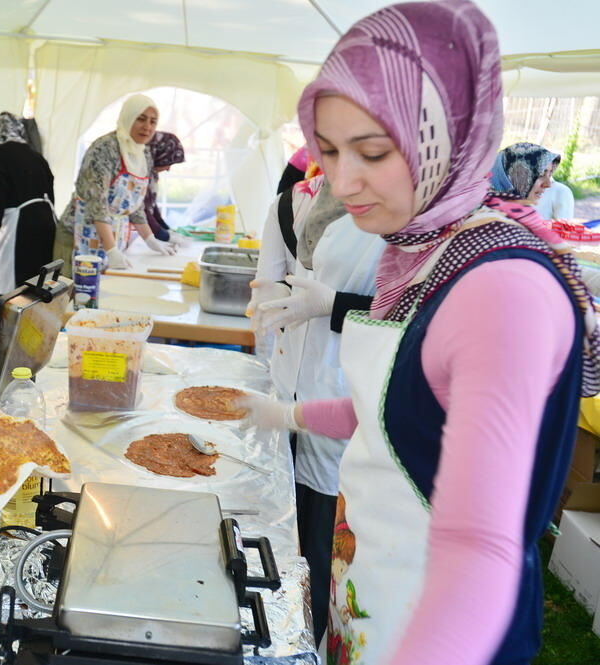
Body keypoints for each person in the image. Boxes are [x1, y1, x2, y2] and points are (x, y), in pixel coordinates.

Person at [244, 1, 597, 663]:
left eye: (372, 151)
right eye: (328, 152)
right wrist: (282, 411)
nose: (342, 183)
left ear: (449, 134)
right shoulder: (422, 252)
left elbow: (479, 549)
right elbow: (396, 410)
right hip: (373, 603)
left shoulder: (501, 289)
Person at [245, 172, 384, 647]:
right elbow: (266, 283)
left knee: (329, 535)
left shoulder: (394, 210)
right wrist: (267, 303)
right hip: (285, 387)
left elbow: (413, 316)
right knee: (279, 524)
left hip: (349, 393)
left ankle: (318, 639)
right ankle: (274, 635)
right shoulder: (289, 203)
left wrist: (335, 305)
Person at [55, 94, 177, 273]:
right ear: (128, 117)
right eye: (140, 119)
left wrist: (150, 239)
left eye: (153, 122)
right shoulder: (105, 148)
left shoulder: (144, 155)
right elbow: (97, 203)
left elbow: (135, 204)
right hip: (79, 236)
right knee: (76, 296)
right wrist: (111, 250)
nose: (147, 127)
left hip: (112, 238)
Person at [0, 111, 56, 293]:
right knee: (39, 283)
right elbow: (51, 190)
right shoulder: (37, 156)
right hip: (47, 222)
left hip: (22, 225)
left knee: (14, 288)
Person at [142, 131, 187, 244]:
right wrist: (164, 235)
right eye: (167, 162)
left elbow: (151, 205)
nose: (168, 169)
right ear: (157, 155)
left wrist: (166, 228)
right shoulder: (138, 173)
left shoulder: (151, 175)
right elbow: (141, 209)